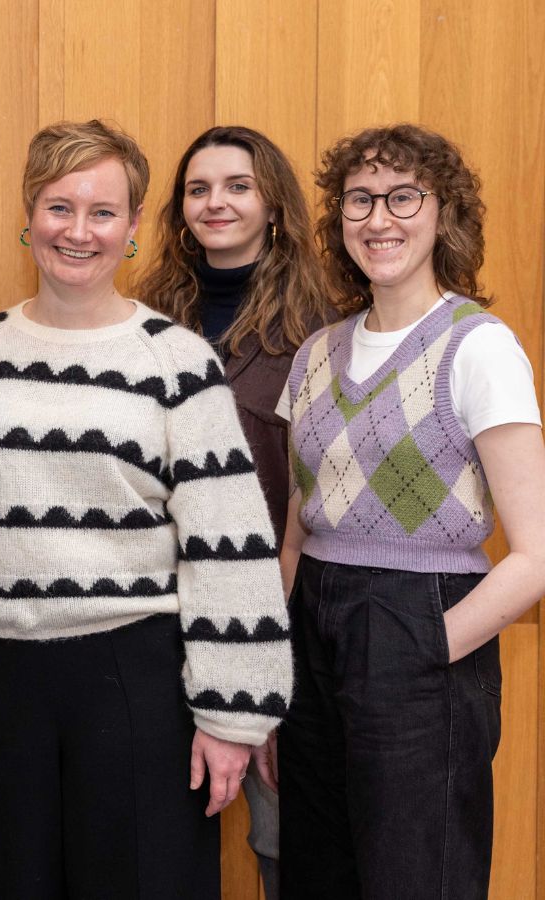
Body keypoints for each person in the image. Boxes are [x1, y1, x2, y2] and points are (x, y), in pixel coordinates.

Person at [0, 120, 293, 899]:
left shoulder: (177, 362)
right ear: (28, 216)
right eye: (59, 207)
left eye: (103, 212)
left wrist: (234, 712)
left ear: (133, 229)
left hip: (136, 683)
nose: (79, 230)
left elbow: (229, 548)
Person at [277, 124, 545, 900]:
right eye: (360, 199)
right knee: (317, 873)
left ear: (443, 214)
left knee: (414, 878)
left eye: (403, 196)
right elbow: (301, 525)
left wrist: (424, 649)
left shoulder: (480, 348)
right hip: (315, 627)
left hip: (420, 622)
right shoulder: (315, 354)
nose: (379, 218)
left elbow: (533, 558)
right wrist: (283, 657)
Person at [137, 124, 336, 898]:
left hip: (271, 620)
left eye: (237, 186)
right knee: (150, 836)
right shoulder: (143, 321)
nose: (215, 202)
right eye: (198, 188)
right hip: (154, 621)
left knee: (283, 836)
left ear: (273, 204)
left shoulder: (320, 331)